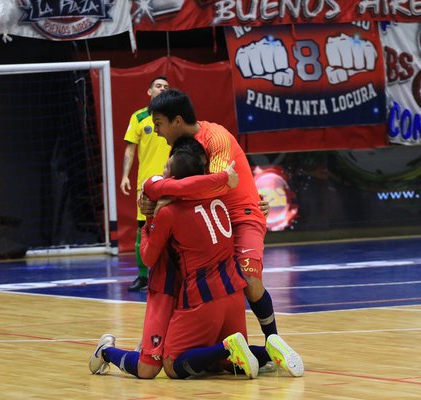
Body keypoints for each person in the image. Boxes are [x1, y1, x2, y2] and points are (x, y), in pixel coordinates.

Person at [90, 146, 303, 379]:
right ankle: (268, 351)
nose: (161, 171)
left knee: (160, 367)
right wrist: (254, 205)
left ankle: (107, 351)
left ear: (174, 178)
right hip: (230, 290)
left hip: (192, 293)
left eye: (166, 167)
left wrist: (147, 223)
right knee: (217, 363)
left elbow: (149, 257)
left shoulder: (167, 210)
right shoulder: (218, 196)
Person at [140, 89, 298, 375]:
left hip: (240, 216)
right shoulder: (181, 146)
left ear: (176, 120)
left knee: (248, 279)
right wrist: (153, 194)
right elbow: (188, 187)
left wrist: (156, 191)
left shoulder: (217, 137)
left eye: (159, 123)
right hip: (213, 219)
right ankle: (227, 349)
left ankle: (273, 340)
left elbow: (211, 186)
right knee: (215, 286)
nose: (157, 131)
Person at [120, 76, 172, 291]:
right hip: (147, 185)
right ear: (149, 91)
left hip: (172, 182)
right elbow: (130, 149)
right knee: (144, 230)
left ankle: (173, 275)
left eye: (166, 87)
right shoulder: (139, 117)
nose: (162, 89)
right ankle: (143, 276)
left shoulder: (174, 116)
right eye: (158, 86)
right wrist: (125, 176)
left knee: (174, 228)